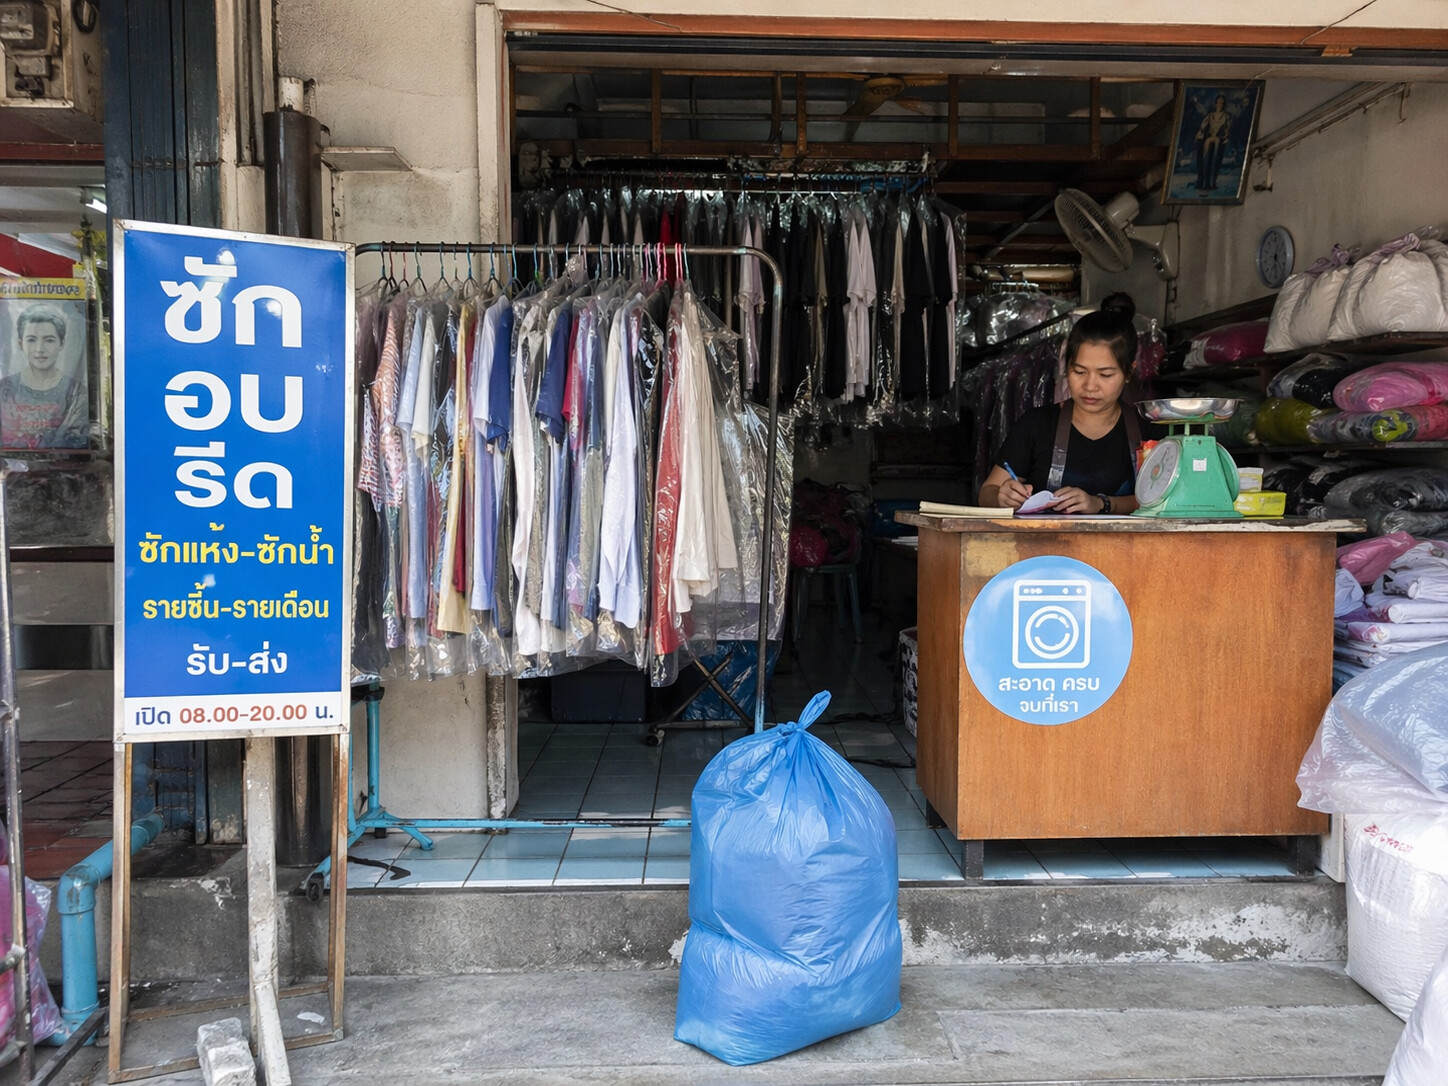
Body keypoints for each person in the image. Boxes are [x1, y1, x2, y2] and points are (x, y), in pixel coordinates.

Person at [978, 293, 1159, 515]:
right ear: (1066, 366)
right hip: (1045, 550)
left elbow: (1162, 502)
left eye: (1105, 374)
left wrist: (1101, 503)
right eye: (1079, 371)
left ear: (1129, 372)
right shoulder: (1036, 425)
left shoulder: (1147, 430)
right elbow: (986, 493)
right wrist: (1001, 496)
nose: (1090, 385)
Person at [0, 302, 87, 449]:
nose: (39, 349)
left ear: (62, 343)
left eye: (49, 340)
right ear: (21, 344)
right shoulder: (3, 389)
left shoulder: (76, 392)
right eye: (32, 340)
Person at [1194, 94, 1232, 193]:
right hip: (1210, 137)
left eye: (1222, 103)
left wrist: (1226, 137)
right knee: (1205, 158)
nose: (1220, 105)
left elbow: (1228, 129)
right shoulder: (1210, 116)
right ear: (1216, 104)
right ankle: (1203, 181)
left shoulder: (1225, 116)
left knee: (1215, 158)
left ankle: (1211, 182)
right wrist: (1199, 135)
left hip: (1219, 138)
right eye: (1218, 103)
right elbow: (1203, 127)